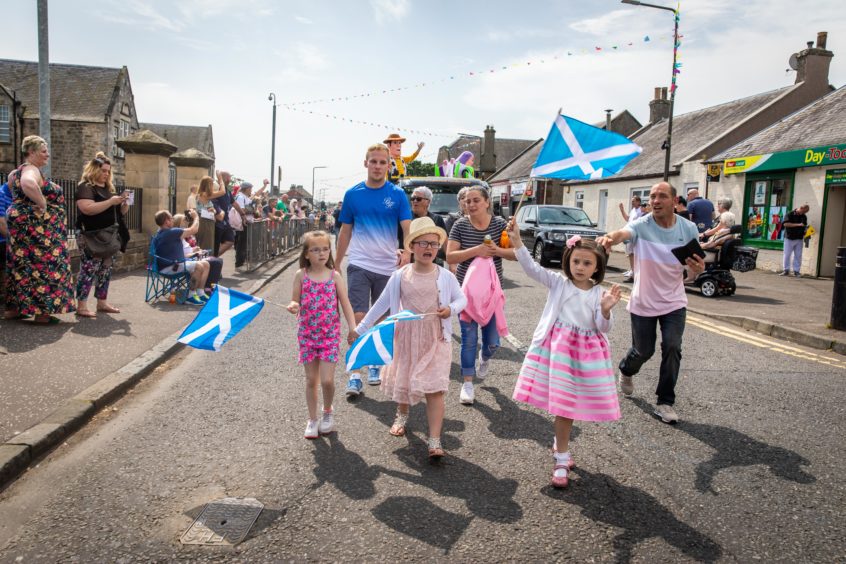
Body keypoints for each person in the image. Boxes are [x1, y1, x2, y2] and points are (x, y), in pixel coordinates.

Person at [506, 221, 622, 487]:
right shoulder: (559, 283)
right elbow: (532, 269)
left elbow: (604, 327)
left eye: (587, 264)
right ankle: (561, 457)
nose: (580, 267)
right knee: (564, 407)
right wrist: (517, 242)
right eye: (576, 261)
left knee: (569, 406)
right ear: (568, 260)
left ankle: (560, 447)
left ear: (597, 268)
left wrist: (605, 310)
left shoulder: (597, 293)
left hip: (586, 358)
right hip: (557, 352)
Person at [350, 217, 466, 459]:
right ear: (412, 247)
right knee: (406, 383)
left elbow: (461, 299)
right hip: (406, 337)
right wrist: (360, 329)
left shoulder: (445, 276)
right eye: (422, 243)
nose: (429, 248)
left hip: (436, 338)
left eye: (434, 244)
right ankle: (402, 414)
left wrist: (451, 309)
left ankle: (435, 440)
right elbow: (380, 305)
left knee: (435, 389)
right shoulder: (401, 275)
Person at [596, 182, 705, 424]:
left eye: (661, 196)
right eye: (652, 197)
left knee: (673, 346)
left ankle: (665, 402)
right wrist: (609, 238)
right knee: (644, 350)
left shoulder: (688, 229)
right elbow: (623, 233)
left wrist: (697, 271)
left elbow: (693, 271)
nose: (655, 201)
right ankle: (626, 369)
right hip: (644, 301)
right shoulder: (641, 225)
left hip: (674, 301)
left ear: (675, 202)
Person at [335, 143, 412, 395]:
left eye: (382, 162)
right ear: (365, 163)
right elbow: (345, 231)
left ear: (389, 166)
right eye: (373, 161)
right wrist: (336, 264)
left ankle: (375, 365)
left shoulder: (398, 195)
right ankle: (355, 374)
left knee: (381, 319)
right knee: (359, 318)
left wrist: (408, 252)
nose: (378, 166)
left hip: (388, 266)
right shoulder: (353, 194)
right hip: (359, 263)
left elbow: (407, 228)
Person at [446, 185, 516, 405]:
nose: (471, 205)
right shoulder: (459, 225)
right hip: (465, 294)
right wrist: (477, 250)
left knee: (493, 342)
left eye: (476, 200)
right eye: (467, 201)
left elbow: (514, 254)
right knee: (468, 340)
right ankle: (468, 383)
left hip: (492, 294)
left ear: (487, 202)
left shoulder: (499, 225)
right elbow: (450, 256)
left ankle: (484, 357)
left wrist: (500, 246)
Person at [287, 230, 356, 439]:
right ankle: (312, 419)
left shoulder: (335, 276)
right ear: (307, 254)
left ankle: (327, 412)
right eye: (315, 249)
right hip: (307, 334)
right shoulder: (301, 275)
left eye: (325, 249)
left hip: (330, 335)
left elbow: (345, 303)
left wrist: (353, 327)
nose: (321, 253)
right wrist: (293, 305)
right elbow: (295, 300)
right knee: (310, 380)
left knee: (327, 380)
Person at [4, 135, 76, 323]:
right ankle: (42, 315)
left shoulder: (14, 173)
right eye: (44, 151)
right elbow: (28, 184)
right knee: (44, 265)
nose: (48, 155)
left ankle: (15, 309)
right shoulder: (31, 170)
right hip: (38, 231)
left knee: (21, 265)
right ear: (31, 152)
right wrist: (43, 204)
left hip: (22, 226)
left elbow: (16, 195)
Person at [75, 153, 129, 318]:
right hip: (90, 235)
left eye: (108, 171)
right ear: (94, 170)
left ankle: (102, 302)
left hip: (108, 236)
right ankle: (82, 305)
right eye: (103, 170)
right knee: (88, 268)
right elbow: (87, 208)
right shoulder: (85, 187)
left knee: (106, 269)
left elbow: (118, 213)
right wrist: (111, 202)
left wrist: (123, 204)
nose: (106, 174)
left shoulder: (108, 189)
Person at [152, 210, 211, 305]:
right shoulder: (171, 232)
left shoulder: (161, 233)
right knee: (199, 266)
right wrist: (196, 217)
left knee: (206, 264)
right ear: (166, 221)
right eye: (171, 218)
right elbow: (194, 230)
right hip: (170, 267)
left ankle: (200, 293)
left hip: (171, 265)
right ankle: (191, 296)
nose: (173, 220)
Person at [171, 213, 223, 294]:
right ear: (178, 224)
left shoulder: (184, 236)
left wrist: (194, 250)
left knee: (218, 260)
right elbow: (180, 254)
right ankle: (207, 288)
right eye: (184, 221)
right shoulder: (178, 236)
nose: (187, 223)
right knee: (215, 262)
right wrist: (195, 253)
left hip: (193, 257)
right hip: (187, 260)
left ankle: (208, 286)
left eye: (186, 221)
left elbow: (187, 249)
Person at [397, 186, 448, 265]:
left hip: (428, 265)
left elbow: (446, 245)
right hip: (405, 264)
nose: (414, 201)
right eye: (412, 199)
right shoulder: (404, 218)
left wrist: (452, 264)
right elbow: (391, 239)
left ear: (428, 202)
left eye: (418, 199)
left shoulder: (437, 219)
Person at [618, 195, 643, 282]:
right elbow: (628, 219)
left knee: (636, 254)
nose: (632, 202)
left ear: (639, 202)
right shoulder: (633, 210)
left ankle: (636, 275)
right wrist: (622, 210)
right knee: (631, 254)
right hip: (630, 234)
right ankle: (633, 274)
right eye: (632, 201)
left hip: (636, 234)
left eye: (634, 201)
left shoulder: (641, 210)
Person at [781, 204, 810, 277]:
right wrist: (798, 225)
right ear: (800, 208)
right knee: (787, 254)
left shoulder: (804, 216)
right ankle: (786, 270)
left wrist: (807, 230)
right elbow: (786, 224)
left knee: (798, 255)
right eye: (803, 211)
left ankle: (796, 271)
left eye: (805, 212)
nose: (804, 213)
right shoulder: (789, 214)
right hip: (789, 237)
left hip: (799, 238)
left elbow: (804, 226)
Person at [212, 170, 236, 257]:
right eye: (229, 177)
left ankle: (214, 257)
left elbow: (233, 202)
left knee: (230, 240)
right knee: (215, 244)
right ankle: (212, 258)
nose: (230, 179)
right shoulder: (216, 188)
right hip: (217, 222)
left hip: (225, 221)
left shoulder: (227, 191)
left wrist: (242, 214)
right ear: (224, 178)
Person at [233, 181, 254, 269]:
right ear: (247, 188)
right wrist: (251, 209)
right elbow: (241, 209)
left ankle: (241, 261)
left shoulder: (245, 197)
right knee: (241, 243)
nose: (251, 191)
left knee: (243, 243)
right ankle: (239, 262)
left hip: (245, 222)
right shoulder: (240, 197)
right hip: (242, 222)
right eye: (250, 189)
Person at [0, 173, 14, 311]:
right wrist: (13, 241)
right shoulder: (1, 194)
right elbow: (2, 224)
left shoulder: (16, 195)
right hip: (4, 240)